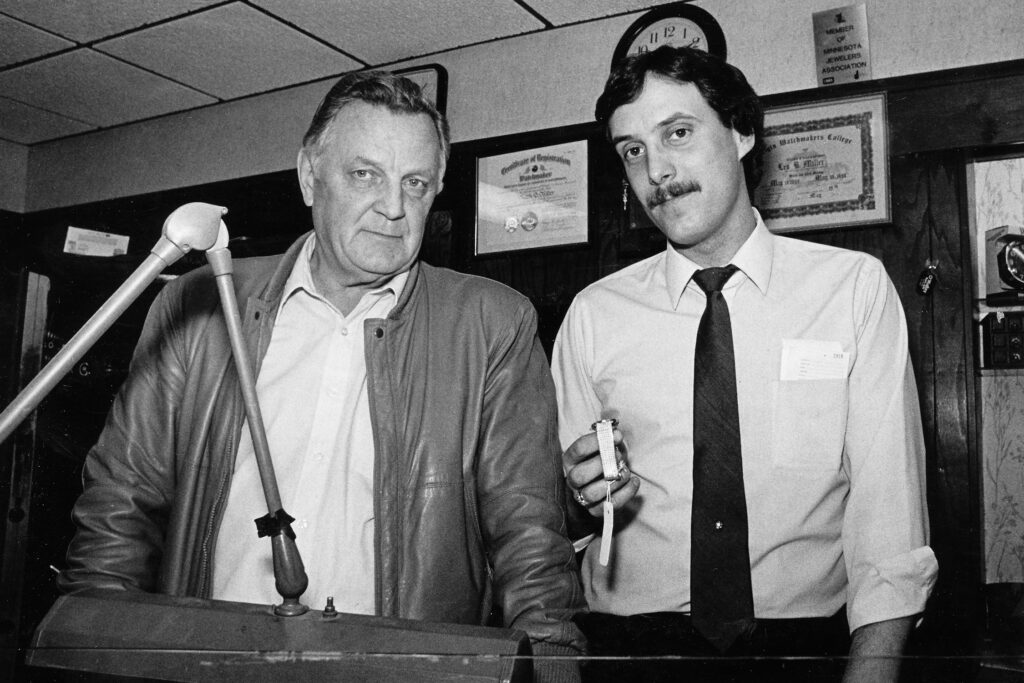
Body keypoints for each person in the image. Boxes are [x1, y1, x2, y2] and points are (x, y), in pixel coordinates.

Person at [59, 70, 586, 681]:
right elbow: (119, 508)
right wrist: (88, 649)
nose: (393, 208)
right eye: (365, 175)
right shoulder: (202, 305)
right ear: (309, 175)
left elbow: (529, 536)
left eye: (414, 184)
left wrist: (553, 667)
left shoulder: (492, 323)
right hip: (203, 665)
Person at [551, 46, 937, 682]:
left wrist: (872, 671)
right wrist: (577, 499)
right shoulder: (594, 314)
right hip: (629, 649)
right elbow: (562, 519)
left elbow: (888, 515)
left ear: (742, 132)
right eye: (632, 150)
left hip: (803, 648)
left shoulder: (852, 290)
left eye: (677, 132)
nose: (658, 171)